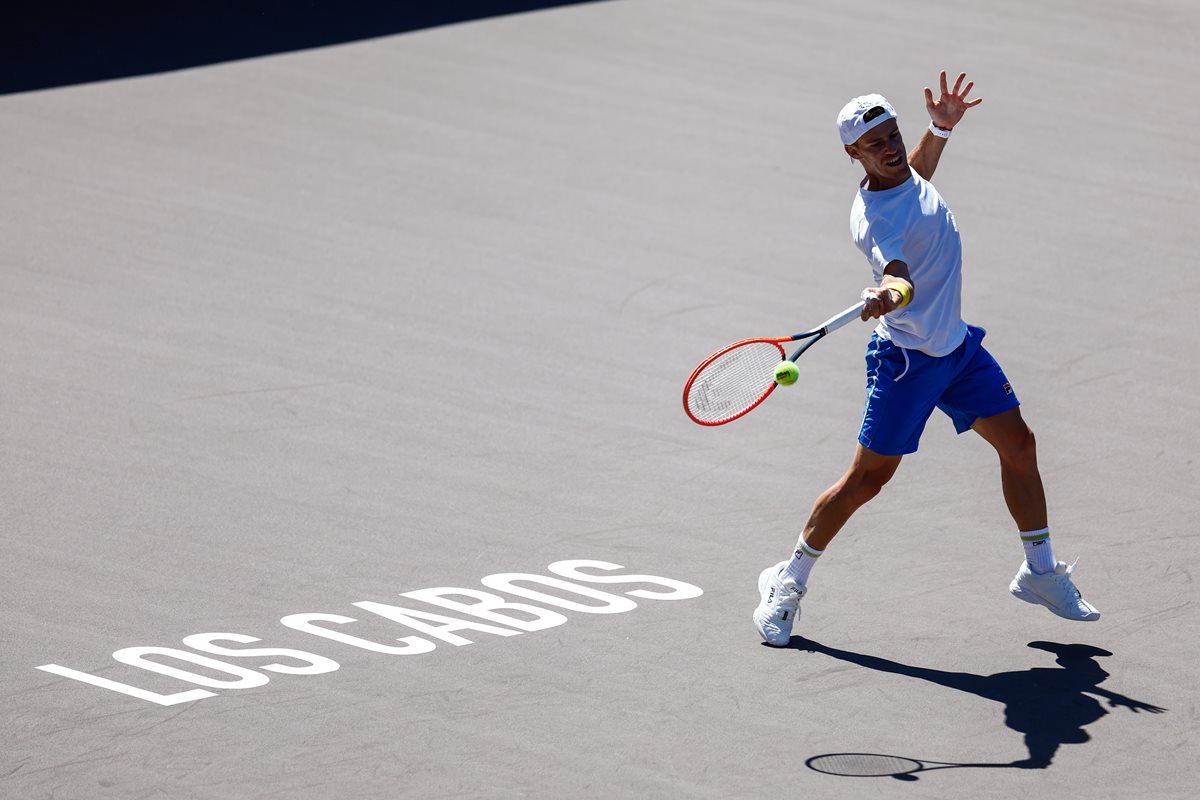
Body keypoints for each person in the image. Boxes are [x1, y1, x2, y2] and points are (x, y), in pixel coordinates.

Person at [752, 71, 1100, 647]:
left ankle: (1039, 573)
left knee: (1020, 446)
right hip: (909, 362)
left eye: (893, 134)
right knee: (867, 481)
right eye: (875, 144)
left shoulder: (900, 175)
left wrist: (939, 130)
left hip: (956, 350)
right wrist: (890, 295)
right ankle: (786, 581)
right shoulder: (875, 221)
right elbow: (899, 275)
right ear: (852, 154)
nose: (891, 148)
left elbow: (916, 175)